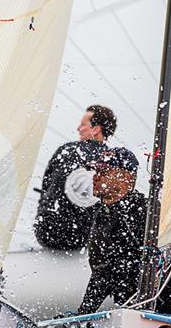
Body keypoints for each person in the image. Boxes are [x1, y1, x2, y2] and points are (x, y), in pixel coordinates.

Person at [70, 147, 171, 315]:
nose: (95, 177)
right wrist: (82, 314)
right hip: (136, 311)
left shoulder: (149, 211)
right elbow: (101, 274)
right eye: (95, 171)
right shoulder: (101, 216)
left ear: (126, 178)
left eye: (103, 172)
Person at [33, 105, 117, 250]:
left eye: (83, 125)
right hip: (84, 239)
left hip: (47, 233)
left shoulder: (66, 150)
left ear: (96, 130)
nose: (78, 128)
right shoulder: (113, 161)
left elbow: (46, 186)